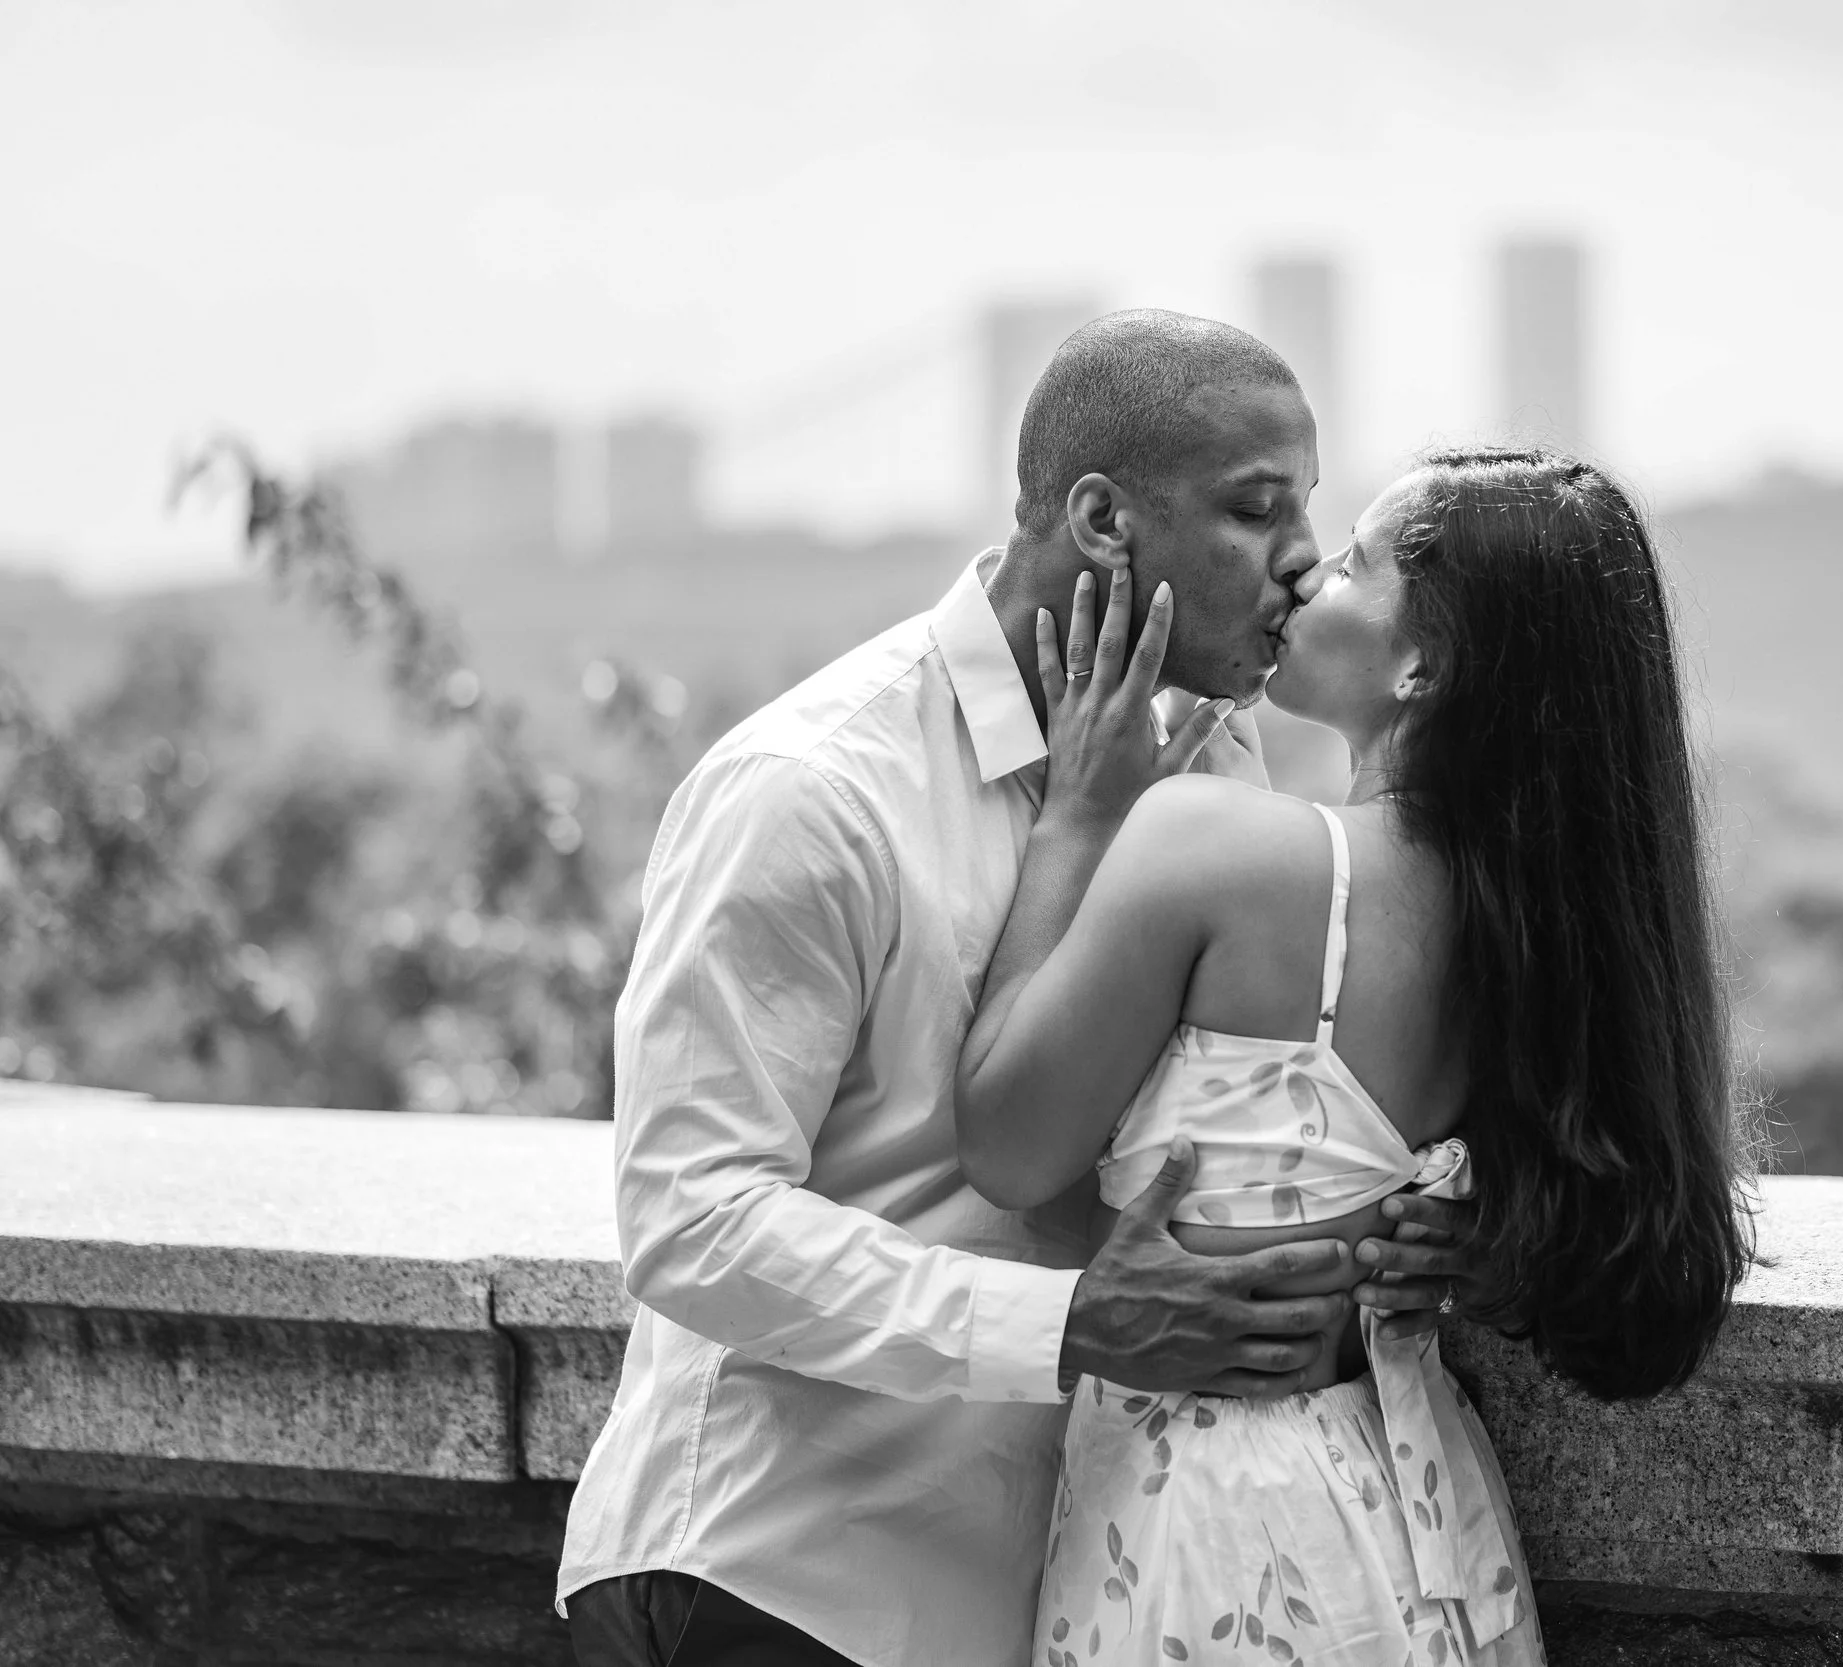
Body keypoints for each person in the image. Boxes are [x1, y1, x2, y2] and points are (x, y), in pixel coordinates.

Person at [557, 312, 1479, 1667]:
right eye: (1254, 507)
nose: (1299, 557)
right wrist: (1074, 1324)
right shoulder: (816, 788)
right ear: (1104, 518)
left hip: (1055, 1591)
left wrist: (1445, 1227)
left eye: (1311, 511)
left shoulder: (1218, 778)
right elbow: (690, 1220)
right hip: (784, 1577)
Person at [954, 445, 1757, 1667]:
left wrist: (1076, 812)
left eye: (1352, 563)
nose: (1302, 575)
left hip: (1220, 1523)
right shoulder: (1542, 924)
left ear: (1422, 663)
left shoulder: (1213, 848)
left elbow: (1008, 1144)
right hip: (1423, 1497)